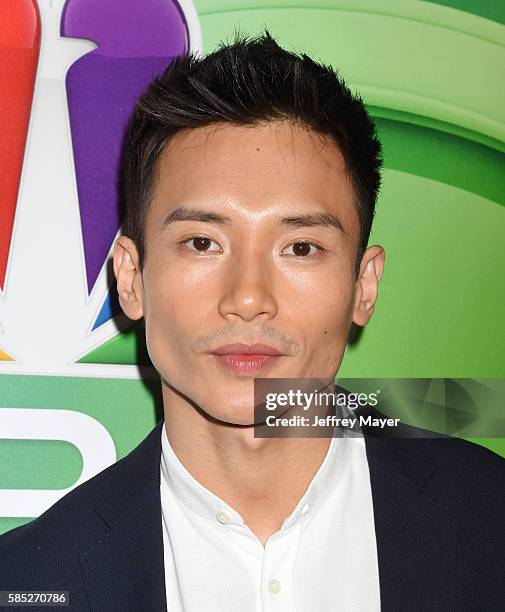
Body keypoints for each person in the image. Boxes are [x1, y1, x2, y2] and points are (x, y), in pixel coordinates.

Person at [0, 31, 504, 612]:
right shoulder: (29, 581)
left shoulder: (491, 522)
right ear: (132, 278)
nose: (247, 297)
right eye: (202, 242)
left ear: (364, 287)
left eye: (300, 248)